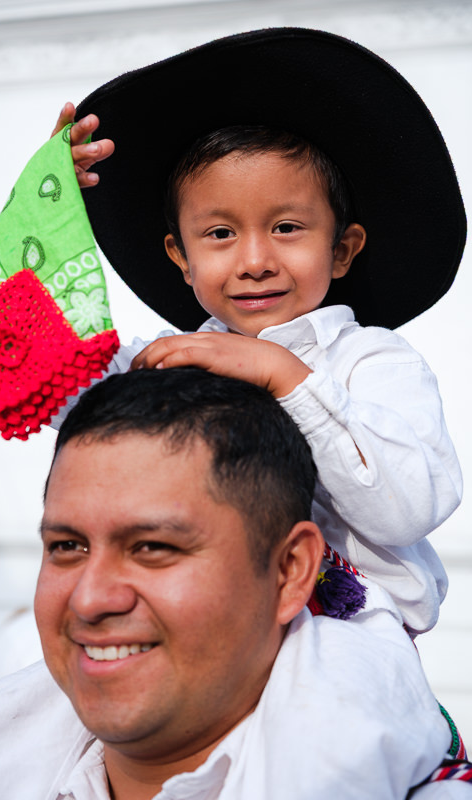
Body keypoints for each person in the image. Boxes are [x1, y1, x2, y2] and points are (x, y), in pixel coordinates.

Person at [46, 28, 465, 640]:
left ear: (342, 249)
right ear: (181, 257)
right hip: (208, 629)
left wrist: (286, 377)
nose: (254, 261)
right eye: (220, 234)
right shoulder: (170, 363)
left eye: (287, 227)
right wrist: (46, 214)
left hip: (351, 635)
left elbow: (409, 509)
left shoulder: (374, 362)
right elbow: (43, 376)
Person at [0, 367, 468, 798]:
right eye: (67, 547)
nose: (90, 599)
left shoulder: (378, 771)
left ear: (289, 572)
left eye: (153, 548)